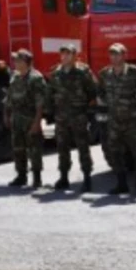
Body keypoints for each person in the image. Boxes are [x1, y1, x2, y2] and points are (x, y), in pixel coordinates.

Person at [98, 42, 136, 197]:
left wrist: (135, 104)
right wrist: (107, 103)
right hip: (114, 121)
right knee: (115, 153)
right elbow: (99, 91)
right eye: (112, 54)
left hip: (132, 121)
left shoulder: (134, 72)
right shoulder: (105, 73)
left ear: (125, 55)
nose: (114, 57)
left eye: (117, 54)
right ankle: (121, 184)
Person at [47, 43, 96, 191]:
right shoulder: (55, 73)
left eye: (68, 53)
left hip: (78, 116)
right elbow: (50, 94)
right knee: (62, 148)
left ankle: (87, 178)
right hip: (61, 117)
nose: (65, 56)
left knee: (83, 147)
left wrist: (84, 108)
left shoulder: (83, 72)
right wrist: (52, 111)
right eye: (63, 53)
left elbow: (92, 91)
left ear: (75, 56)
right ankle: (63, 177)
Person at [5, 50, 47, 189]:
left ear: (26, 62)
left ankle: (37, 178)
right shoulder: (14, 77)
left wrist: (37, 123)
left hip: (30, 119)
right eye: (15, 61)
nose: (15, 63)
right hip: (17, 119)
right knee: (18, 148)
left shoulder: (36, 78)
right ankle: (21, 176)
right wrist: (6, 114)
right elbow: (9, 98)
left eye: (18, 61)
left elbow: (40, 103)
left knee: (34, 149)